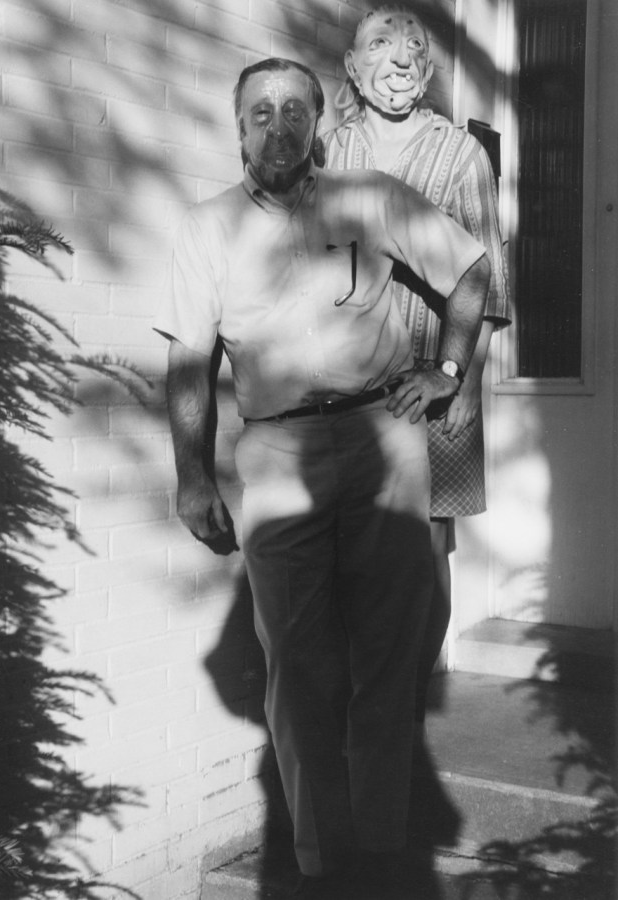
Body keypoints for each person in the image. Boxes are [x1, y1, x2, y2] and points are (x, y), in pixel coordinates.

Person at [154, 57, 490, 896]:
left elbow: (471, 269)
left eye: (295, 110)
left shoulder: (367, 196)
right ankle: (314, 854)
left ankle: (381, 842)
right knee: (295, 661)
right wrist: (191, 478)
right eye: (260, 112)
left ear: (317, 121)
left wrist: (447, 368)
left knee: (387, 649)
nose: (279, 127)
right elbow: (189, 363)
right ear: (238, 127)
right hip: (275, 453)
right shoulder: (203, 228)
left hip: (384, 438)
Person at [322, 5, 511, 727]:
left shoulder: (459, 154)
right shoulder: (329, 153)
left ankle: (402, 698)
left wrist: (460, 380)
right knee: (356, 538)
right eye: (379, 45)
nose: (398, 60)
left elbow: (487, 274)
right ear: (350, 67)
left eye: (412, 51)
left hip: (438, 371)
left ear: (427, 73)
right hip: (348, 382)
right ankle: (361, 696)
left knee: (424, 545)